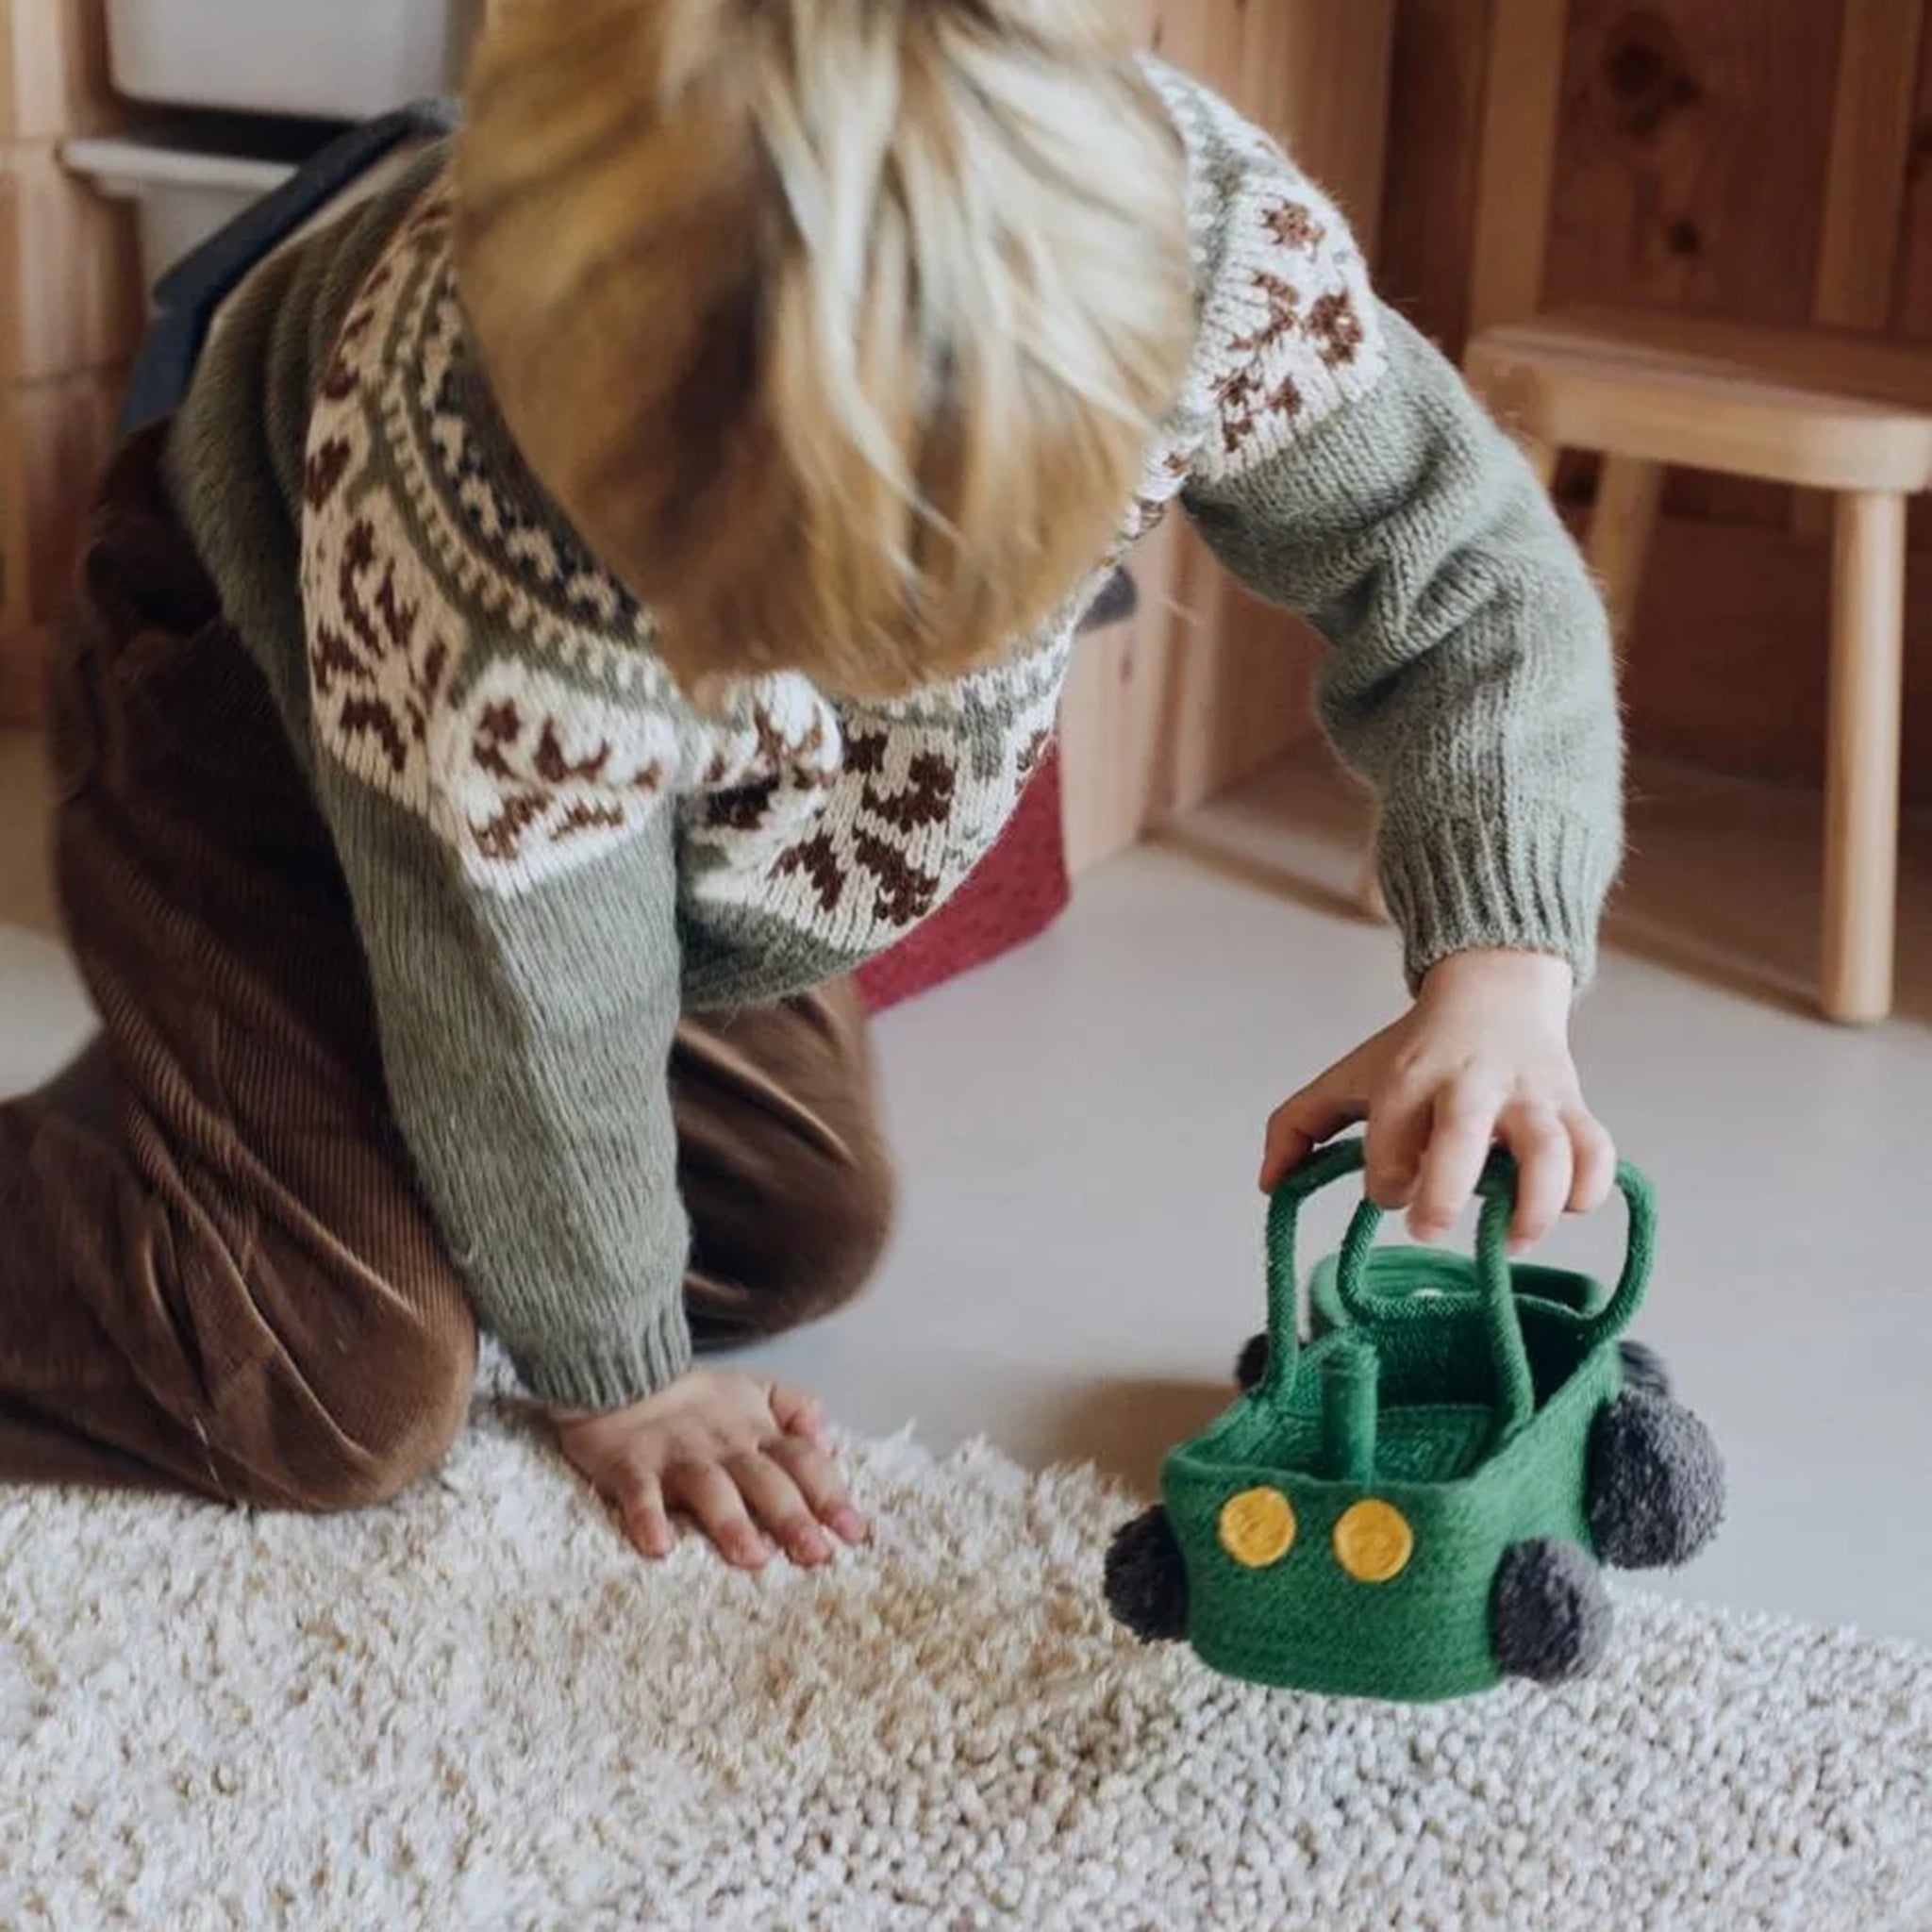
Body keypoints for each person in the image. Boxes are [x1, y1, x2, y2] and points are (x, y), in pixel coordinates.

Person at [0, 0, 1621, 1568]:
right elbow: (532, 1000)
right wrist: (621, 1378)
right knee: (338, 1382)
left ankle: (258, 1113)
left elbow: (1465, 570)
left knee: (794, 1228)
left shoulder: (1200, 253)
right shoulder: (488, 503)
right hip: (252, 708)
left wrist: (1500, 978)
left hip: (630, 827)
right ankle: (187, 1146)